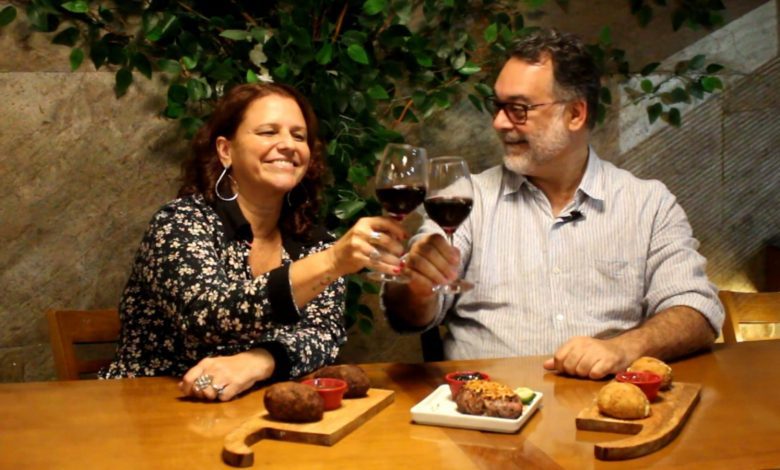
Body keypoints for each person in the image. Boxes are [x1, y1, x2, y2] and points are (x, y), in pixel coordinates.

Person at [382, 28, 724, 379]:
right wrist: (418, 286)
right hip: (484, 401)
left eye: (518, 109)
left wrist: (625, 348)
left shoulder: (647, 204)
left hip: (604, 401)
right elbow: (408, 315)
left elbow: (697, 310)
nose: (499, 122)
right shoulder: (467, 199)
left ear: (575, 114)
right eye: (498, 106)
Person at [100, 83, 407, 400]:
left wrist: (260, 361)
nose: (288, 145)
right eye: (268, 132)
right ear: (226, 150)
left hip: (249, 409)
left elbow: (323, 334)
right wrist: (332, 262)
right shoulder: (180, 222)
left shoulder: (312, 242)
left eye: (298, 136)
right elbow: (205, 315)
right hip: (147, 406)